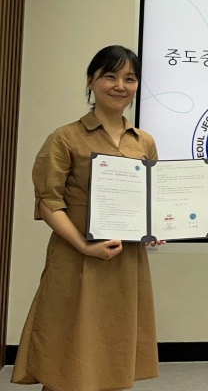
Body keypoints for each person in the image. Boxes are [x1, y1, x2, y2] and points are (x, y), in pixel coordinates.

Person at [11, 45, 164, 391]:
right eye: (110, 76)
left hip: (125, 259)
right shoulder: (65, 137)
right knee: (67, 346)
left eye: (129, 78)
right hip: (76, 255)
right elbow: (49, 201)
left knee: (113, 346)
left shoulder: (144, 141)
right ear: (90, 82)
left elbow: (150, 199)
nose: (120, 86)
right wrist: (84, 246)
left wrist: (155, 228)